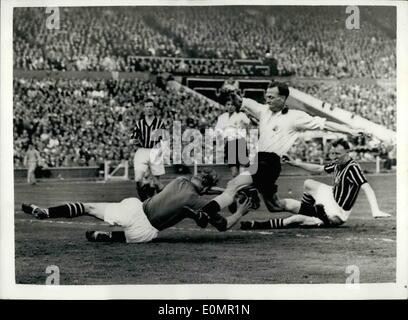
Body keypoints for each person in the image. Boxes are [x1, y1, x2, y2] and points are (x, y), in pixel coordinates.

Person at [191, 81, 364, 220]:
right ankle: (317, 212)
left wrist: (349, 130)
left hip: (269, 162)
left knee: (233, 184)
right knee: (275, 206)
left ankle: (205, 212)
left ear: (283, 98)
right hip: (262, 162)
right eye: (266, 96)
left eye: (272, 97)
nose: (267, 100)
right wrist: (232, 92)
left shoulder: (295, 117)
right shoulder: (262, 110)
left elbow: (325, 124)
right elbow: (239, 102)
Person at [21, 169, 252, 243]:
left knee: (88, 207)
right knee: (134, 236)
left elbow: (200, 188)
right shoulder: (201, 201)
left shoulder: (179, 181)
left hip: (136, 208)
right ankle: (109, 238)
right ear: (209, 187)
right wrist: (240, 210)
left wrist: (218, 191)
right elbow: (223, 225)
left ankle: (46, 212)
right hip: (146, 229)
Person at [241, 139, 391, 230]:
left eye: (337, 154)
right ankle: (312, 211)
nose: (334, 156)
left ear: (347, 152)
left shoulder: (353, 167)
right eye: (333, 153)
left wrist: (376, 210)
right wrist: (294, 163)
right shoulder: (338, 163)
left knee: (295, 220)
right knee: (308, 183)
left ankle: (257, 224)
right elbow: (319, 168)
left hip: (338, 211)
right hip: (331, 196)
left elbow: (367, 187)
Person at [131, 98, 167, 201]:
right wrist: (135, 141)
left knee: (155, 182)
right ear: (144, 109)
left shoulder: (159, 123)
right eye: (147, 107)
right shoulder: (139, 124)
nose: (149, 109)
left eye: (151, 106)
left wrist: (162, 152)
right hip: (142, 151)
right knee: (138, 179)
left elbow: (164, 139)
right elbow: (132, 139)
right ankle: (144, 200)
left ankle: (161, 200)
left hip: (155, 151)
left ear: (154, 108)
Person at [215, 98, 251, 177]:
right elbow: (218, 132)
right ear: (225, 106)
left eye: (232, 105)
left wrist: (244, 126)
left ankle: (242, 187)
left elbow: (248, 124)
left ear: (235, 106)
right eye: (228, 104)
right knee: (234, 172)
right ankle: (236, 187)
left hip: (240, 142)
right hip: (230, 144)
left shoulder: (241, 115)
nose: (230, 107)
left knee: (242, 170)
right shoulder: (222, 117)